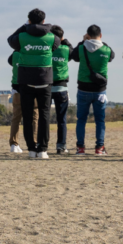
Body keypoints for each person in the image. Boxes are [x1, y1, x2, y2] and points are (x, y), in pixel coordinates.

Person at [7, 9, 61, 159]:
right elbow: (57, 44)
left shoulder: (22, 37)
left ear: (29, 21)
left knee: (28, 116)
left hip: (26, 81)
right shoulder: (52, 38)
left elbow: (11, 40)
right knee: (44, 115)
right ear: (44, 21)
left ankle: (31, 149)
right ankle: (43, 150)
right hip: (45, 81)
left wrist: (24, 27)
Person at [69, 25, 114, 155]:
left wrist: (83, 41)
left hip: (83, 88)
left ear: (87, 35)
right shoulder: (106, 49)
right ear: (101, 35)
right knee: (100, 120)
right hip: (100, 89)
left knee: (81, 119)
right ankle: (99, 148)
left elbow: (74, 56)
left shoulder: (82, 48)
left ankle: (80, 148)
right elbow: (112, 57)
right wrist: (101, 42)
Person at [7, 48, 37, 154]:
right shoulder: (34, 52)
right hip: (33, 87)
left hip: (17, 88)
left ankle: (14, 143)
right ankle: (34, 142)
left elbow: (10, 61)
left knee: (16, 118)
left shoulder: (15, 53)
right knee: (34, 117)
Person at [50, 25, 72, 154]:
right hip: (62, 87)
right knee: (61, 119)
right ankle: (61, 146)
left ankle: (42, 143)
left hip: (47, 86)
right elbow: (73, 52)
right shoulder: (65, 49)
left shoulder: (47, 49)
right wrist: (64, 40)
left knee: (44, 117)